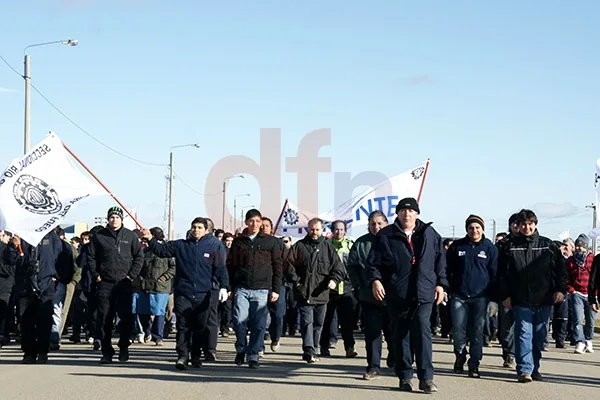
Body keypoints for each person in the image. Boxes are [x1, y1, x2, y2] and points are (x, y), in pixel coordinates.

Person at [366, 197, 447, 393]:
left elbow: (440, 261)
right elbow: (373, 264)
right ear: (398, 214)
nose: (407, 214)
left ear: (417, 213)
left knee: (423, 333)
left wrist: (441, 284)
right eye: (403, 210)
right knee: (401, 335)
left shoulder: (429, 233)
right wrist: (376, 281)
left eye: (411, 211)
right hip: (397, 293)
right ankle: (404, 376)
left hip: (424, 292)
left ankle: (426, 378)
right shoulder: (386, 235)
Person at [142, 217, 228, 370]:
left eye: (200, 227)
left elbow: (221, 268)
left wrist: (224, 287)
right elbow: (162, 251)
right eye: (194, 227)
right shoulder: (181, 245)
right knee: (183, 325)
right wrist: (150, 239)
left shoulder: (214, 247)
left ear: (206, 230)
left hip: (204, 294)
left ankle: (195, 355)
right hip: (184, 293)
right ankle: (182, 355)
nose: (196, 230)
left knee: (200, 327)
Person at [497, 209, 567, 383]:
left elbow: (561, 270)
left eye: (530, 224)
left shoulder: (548, 245)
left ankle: (535, 367)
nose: (527, 227)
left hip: (544, 298)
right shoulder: (509, 246)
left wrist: (560, 290)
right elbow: (501, 274)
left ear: (535, 224)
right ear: (518, 226)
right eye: (523, 224)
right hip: (520, 299)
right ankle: (524, 370)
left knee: (539, 336)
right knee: (523, 334)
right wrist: (505, 295)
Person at [87, 207, 144, 364]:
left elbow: (139, 257)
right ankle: (106, 351)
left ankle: (124, 347)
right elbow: (90, 257)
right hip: (105, 282)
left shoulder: (130, 236)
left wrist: (131, 275)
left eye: (117, 217)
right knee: (105, 318)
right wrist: (96, 275)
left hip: (124, 283)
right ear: (108, 219)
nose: (114, 220)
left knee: (125, 317)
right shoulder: (99, 237)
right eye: (111, 217)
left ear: (121, 219)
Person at [227, 210, 282, 368]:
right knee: (238, 320)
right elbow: (230, 266)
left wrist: (276, 289)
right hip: (241, 288)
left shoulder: (270, 242)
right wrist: (230, 287)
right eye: (251, 221)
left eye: (258, 221)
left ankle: (253, 355)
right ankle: (241, 348)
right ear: (246, 222)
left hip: (262, 289)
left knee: (259, 325)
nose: (255, 224)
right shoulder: (239, 242)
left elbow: (277, 267)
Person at [285, 218, 344, 363]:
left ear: (322, 230)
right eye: (312, 229)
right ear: (308, 229)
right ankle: (308, 350)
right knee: (307, 323)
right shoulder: (299, 246)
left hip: (321, 293)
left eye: (317, 229)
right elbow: (288, 265)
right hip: (304, 292)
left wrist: (333, 280)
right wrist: (297, 282)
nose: (314, 232)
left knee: (318, 324)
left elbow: (338, 268)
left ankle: (314, 349)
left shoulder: (328, 247)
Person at [446, 215, 498, 378]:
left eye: (477, 228)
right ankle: (460, 356)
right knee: (459, 330)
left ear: (482, 229)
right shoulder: (457, 246)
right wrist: (446, 289)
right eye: (471, 228)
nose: (474, 231)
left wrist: (494, 299)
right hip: (459, 296)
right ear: (466, 229)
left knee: (477, 332)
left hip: (481, 297)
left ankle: (474, 364)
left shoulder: (490, 248)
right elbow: (447, 270)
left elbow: (495, 274)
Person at [347, 210, 393, 380]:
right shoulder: (361, 243)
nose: (376, 227)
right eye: (373, 224)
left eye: (380, 223)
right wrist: (360, 285)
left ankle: (394, 356)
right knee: (372, 333)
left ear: (386, 223)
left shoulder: (394, 240)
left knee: (393, 331)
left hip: (392, 298)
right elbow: (352, 267)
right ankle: (373, 366)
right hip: (368, 296)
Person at [566, 234, 595, 354]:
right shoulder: (570, 261)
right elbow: (566, 278)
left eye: (581, 246)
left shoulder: (592, 259)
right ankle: (580, 341)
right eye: (576, 246)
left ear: (586, 247)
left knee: (591, 321)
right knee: (577, 319)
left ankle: (588, 339)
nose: (578, 248)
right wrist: (571, 290)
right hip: (577, 293)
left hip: (591, 294)